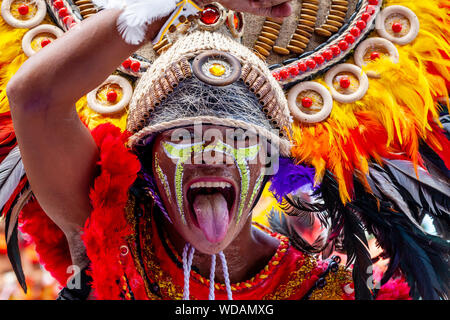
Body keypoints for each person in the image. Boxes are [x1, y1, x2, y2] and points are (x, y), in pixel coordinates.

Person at [1, 0, 449, 300]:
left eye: (240, 136)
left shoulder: (329, 290)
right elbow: (34, 99)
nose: (212, 150)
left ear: (270, 161)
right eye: (183, 135)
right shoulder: (112, 232)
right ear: (147, 162)